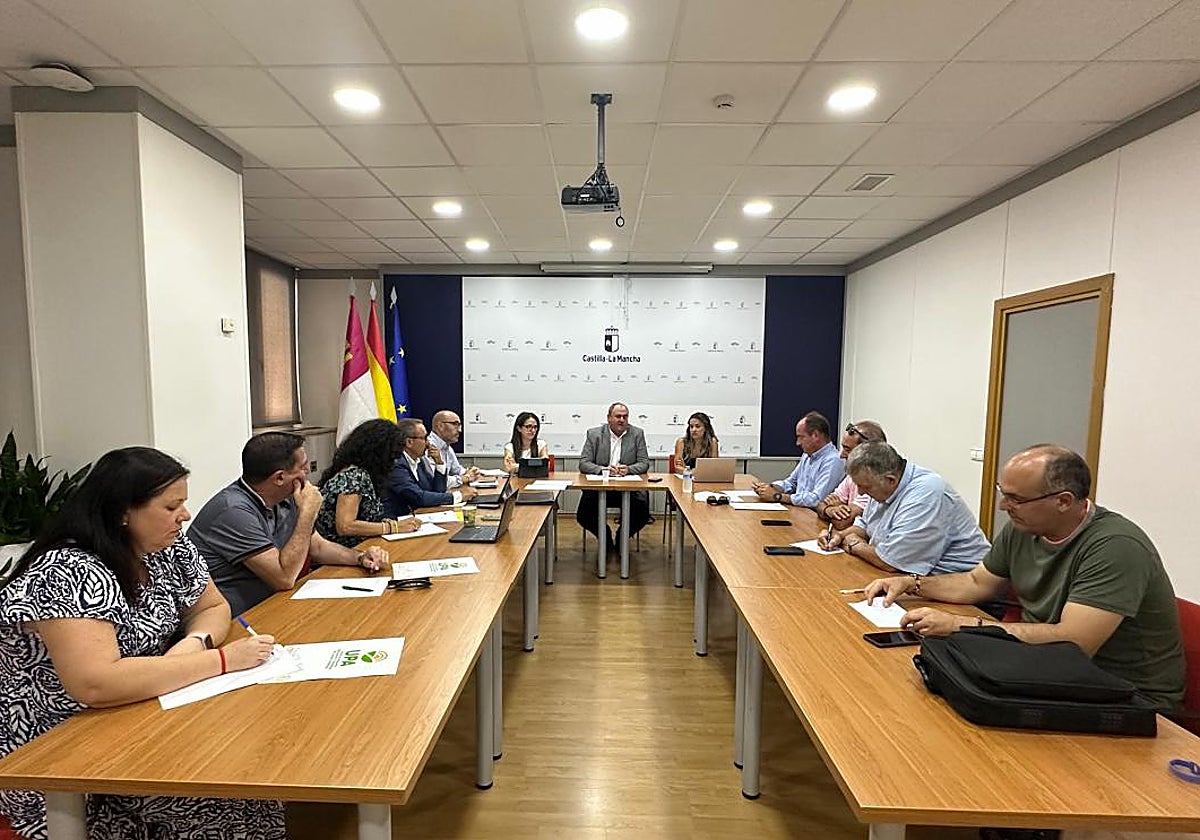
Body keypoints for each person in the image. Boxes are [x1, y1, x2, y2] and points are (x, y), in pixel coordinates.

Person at [0, 447, 282, 840]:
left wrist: (194, 645)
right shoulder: (67, 570)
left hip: (142, 709)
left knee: (250, 784)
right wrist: (220, 660)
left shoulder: (169, 547)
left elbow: (214, 606)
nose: (185, 515)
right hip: (62, 750)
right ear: (123, 512)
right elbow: (96, 684)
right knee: (216, 800)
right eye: (171, 507)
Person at [864, 444, 1185, 711]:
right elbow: (976, 583)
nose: (1004, 506)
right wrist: (912, 582)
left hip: (1126, 693)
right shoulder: (1025, 528)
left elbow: (1073, 643)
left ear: (1063, 501)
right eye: (1003, 493)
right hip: (1048, 668)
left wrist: (959, 625)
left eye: (1016, 499)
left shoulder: (1116, 546)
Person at [189, 432, 389, 617]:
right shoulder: (233, 511)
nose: (309, 470)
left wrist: (360, 557)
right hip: (237, 619)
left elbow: (317, 546)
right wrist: (307, 514)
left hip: (274, 605)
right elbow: (283, 577)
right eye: (302, 467)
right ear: (279, 478)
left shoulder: (286, 495)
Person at [819, 441, 988, 576]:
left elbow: (890, 562)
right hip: (918, 581)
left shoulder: (926, 494)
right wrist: (839, 536)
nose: (861, 492)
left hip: (967, 592)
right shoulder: (882, 485)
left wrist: (853, 544)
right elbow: (865, 525)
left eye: (866, 487)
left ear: (890, 479)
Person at [315, 419, 419, 547]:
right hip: (339, 553)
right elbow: (345, 526)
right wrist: (393, 527)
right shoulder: (354, 476)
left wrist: (381, 523)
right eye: (392, 456)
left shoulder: (364, 473)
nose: (394, 461)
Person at [576, 402, 651, 552]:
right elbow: (584, 463)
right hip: (600, 488)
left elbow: (644, 463)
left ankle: (622, 537)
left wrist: (629, 469)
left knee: (642, 512)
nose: (622, 420)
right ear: (609, 418)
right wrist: (603, 470)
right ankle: (605, 536)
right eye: (618, 416)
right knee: (583, 514)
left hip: (628, 489)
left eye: (625, 416)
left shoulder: (637, 434)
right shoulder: (594, 434)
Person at [384, 419, 477, 516]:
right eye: (424, 438)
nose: (428, 443)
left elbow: (436, 490)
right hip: (397, 521)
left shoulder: (419, 461)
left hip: (418, 516)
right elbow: (419, 497)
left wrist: (439, 463)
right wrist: (458, 496)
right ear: (409, 442)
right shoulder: (396, 464)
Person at [752, 411, 844, 507]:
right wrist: (770, 487)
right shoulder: (807, 455)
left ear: (815, 435)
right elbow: (791, 482)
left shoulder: (834, 460)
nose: (798, 443)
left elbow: (816, 499)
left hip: (815, 517)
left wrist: (777, 496)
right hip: (800, 511)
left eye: (801, 437)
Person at [816, 420, 886, 530]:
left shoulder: (876, 482)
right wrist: (829, 510)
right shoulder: (852, 476)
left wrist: (833, 508)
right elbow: (820, 505)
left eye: (847, 449)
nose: (841, 455)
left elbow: (842, 523)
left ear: (867, 452)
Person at [429, 410, 480, 489]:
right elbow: (435, 481)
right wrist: (464, 478)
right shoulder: (428, 447)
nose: (460, 430)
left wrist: (471, 472)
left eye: (459, 425)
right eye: (455, 424)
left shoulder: (447, 447)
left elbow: (457, 470)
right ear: (440, 426)